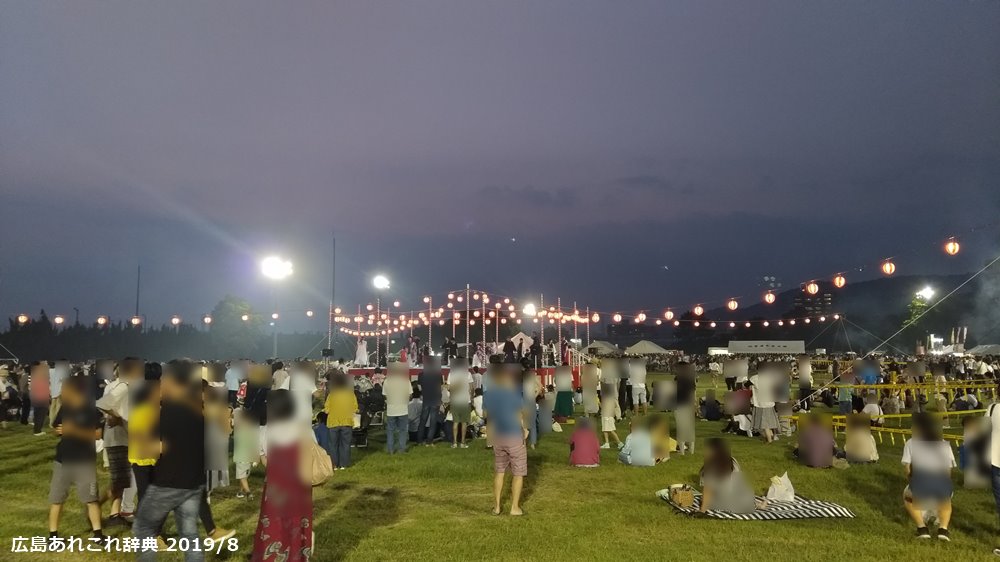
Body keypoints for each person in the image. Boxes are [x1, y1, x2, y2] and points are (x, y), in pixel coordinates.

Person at [133, 360, 206, 562]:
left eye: (164, 378)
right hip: (194, 483)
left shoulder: (168, 412)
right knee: (190, 534)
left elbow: (156, 447)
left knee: (144, 527)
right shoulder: (197, 411)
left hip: (169, 483)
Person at [252, 390, 313, 561]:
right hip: (299, 486)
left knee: (273, 525)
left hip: (275, 486)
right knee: (297, 522)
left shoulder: (265, 431)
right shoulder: (304, 430)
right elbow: (312, 454)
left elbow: (263, 459)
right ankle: (296, 556)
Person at [47, 375, 103, 540]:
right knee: (57, 499)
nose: (62, 392)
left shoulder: (91, 409)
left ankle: (98, 534)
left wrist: (74, 431)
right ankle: (53, 536)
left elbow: (98, 434)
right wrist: (58, 431)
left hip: (84, 462)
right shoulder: (65, 408)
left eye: (65, 389)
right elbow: (56, 428)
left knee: (91, 499)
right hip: (62, 460)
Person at [902, 412, 955, 541]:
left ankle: (922, 528)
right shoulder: (943, 443)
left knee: (908, 498)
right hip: (942, 480)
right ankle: (943, 529)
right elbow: (949, 470)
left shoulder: (911, 442)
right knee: (946, 502)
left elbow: (907, 468)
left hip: (921, 480)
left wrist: (912, 480)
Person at [483, 365, 528, 515]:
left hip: (498, 436)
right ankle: (514, 507)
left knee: (499, 471)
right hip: (514, 435)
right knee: (518, 473)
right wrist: (525, 430)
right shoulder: (514, 394)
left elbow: (487, 416)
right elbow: (521, 413)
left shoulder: (488, 395)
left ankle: (496, 507)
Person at [698, 438, 757, 514]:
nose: (705, 452)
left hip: (727, 505)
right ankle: (757, 505)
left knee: (703, 499)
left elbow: (707, 491)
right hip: (745, 503)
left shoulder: (710, 468)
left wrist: (702, 510)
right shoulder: (733, 461)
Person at [323, 371, 358, 469]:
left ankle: (334, 465)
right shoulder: (350, 394)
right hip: (347, 421)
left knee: (333, 445)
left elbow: (326, 409)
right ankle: (344, 465)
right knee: (346, 444)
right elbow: (355, 408)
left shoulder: (332, 394)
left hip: (333, 422)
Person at [383, 362, 412, 454]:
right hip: (403, 408)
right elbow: (410, 395)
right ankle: (401, 449)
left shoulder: (387, 381)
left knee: (390, 430)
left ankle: (391, 449)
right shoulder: (405, 381)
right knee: (402, 430)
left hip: (391, 409)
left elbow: (385, 395)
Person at [749, 363, 779, 443]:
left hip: (760, 403)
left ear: (757, 369)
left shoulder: (754, 378)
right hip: (769, 402)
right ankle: (771, 436)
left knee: (764, 424)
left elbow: (746, 384)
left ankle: (769, 440)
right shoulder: (770, 378)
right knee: (768, 423)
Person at [448, 359, 474, 448]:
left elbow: (449, 388)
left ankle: (455, 442)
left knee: (455, 422)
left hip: (455, 400)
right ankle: (463, 442)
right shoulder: (468, 374)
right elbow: (471, 388)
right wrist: (471, 398)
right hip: (466, 400)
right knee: (464, 422)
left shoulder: (451, 374)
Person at [417, 359, 443, 445]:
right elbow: (441, 387)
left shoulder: (421, 375)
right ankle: (429, 441)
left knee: (423, 420)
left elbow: (419, 388)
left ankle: (420, 440)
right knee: (433, 421)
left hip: (426, 399)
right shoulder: (438, 375)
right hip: (436, 398)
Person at [674, 362, 697, 454]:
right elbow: (694, 395)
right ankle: (691, 450)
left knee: (681, 429)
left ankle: (682, 451)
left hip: (679, 406)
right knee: (690, 428)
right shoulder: (691, 379)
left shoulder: (677, 379)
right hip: (689, 405)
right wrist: (695, 406)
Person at [29, 360, 51, 435]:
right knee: (41, 415)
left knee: (37, 414)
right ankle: (37, 431)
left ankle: (36, 429)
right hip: (42, 397)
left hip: (35, 397)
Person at [599, 381, 622, 450]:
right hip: (610, 417)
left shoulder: (606, 399)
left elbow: (603, 407)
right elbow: (617, 407)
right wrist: (618, 416)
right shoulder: (613, 399)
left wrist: (598, 402)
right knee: (605, 430)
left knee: (611, 431)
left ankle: (619, 443)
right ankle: (607, 443)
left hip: (606, 416)